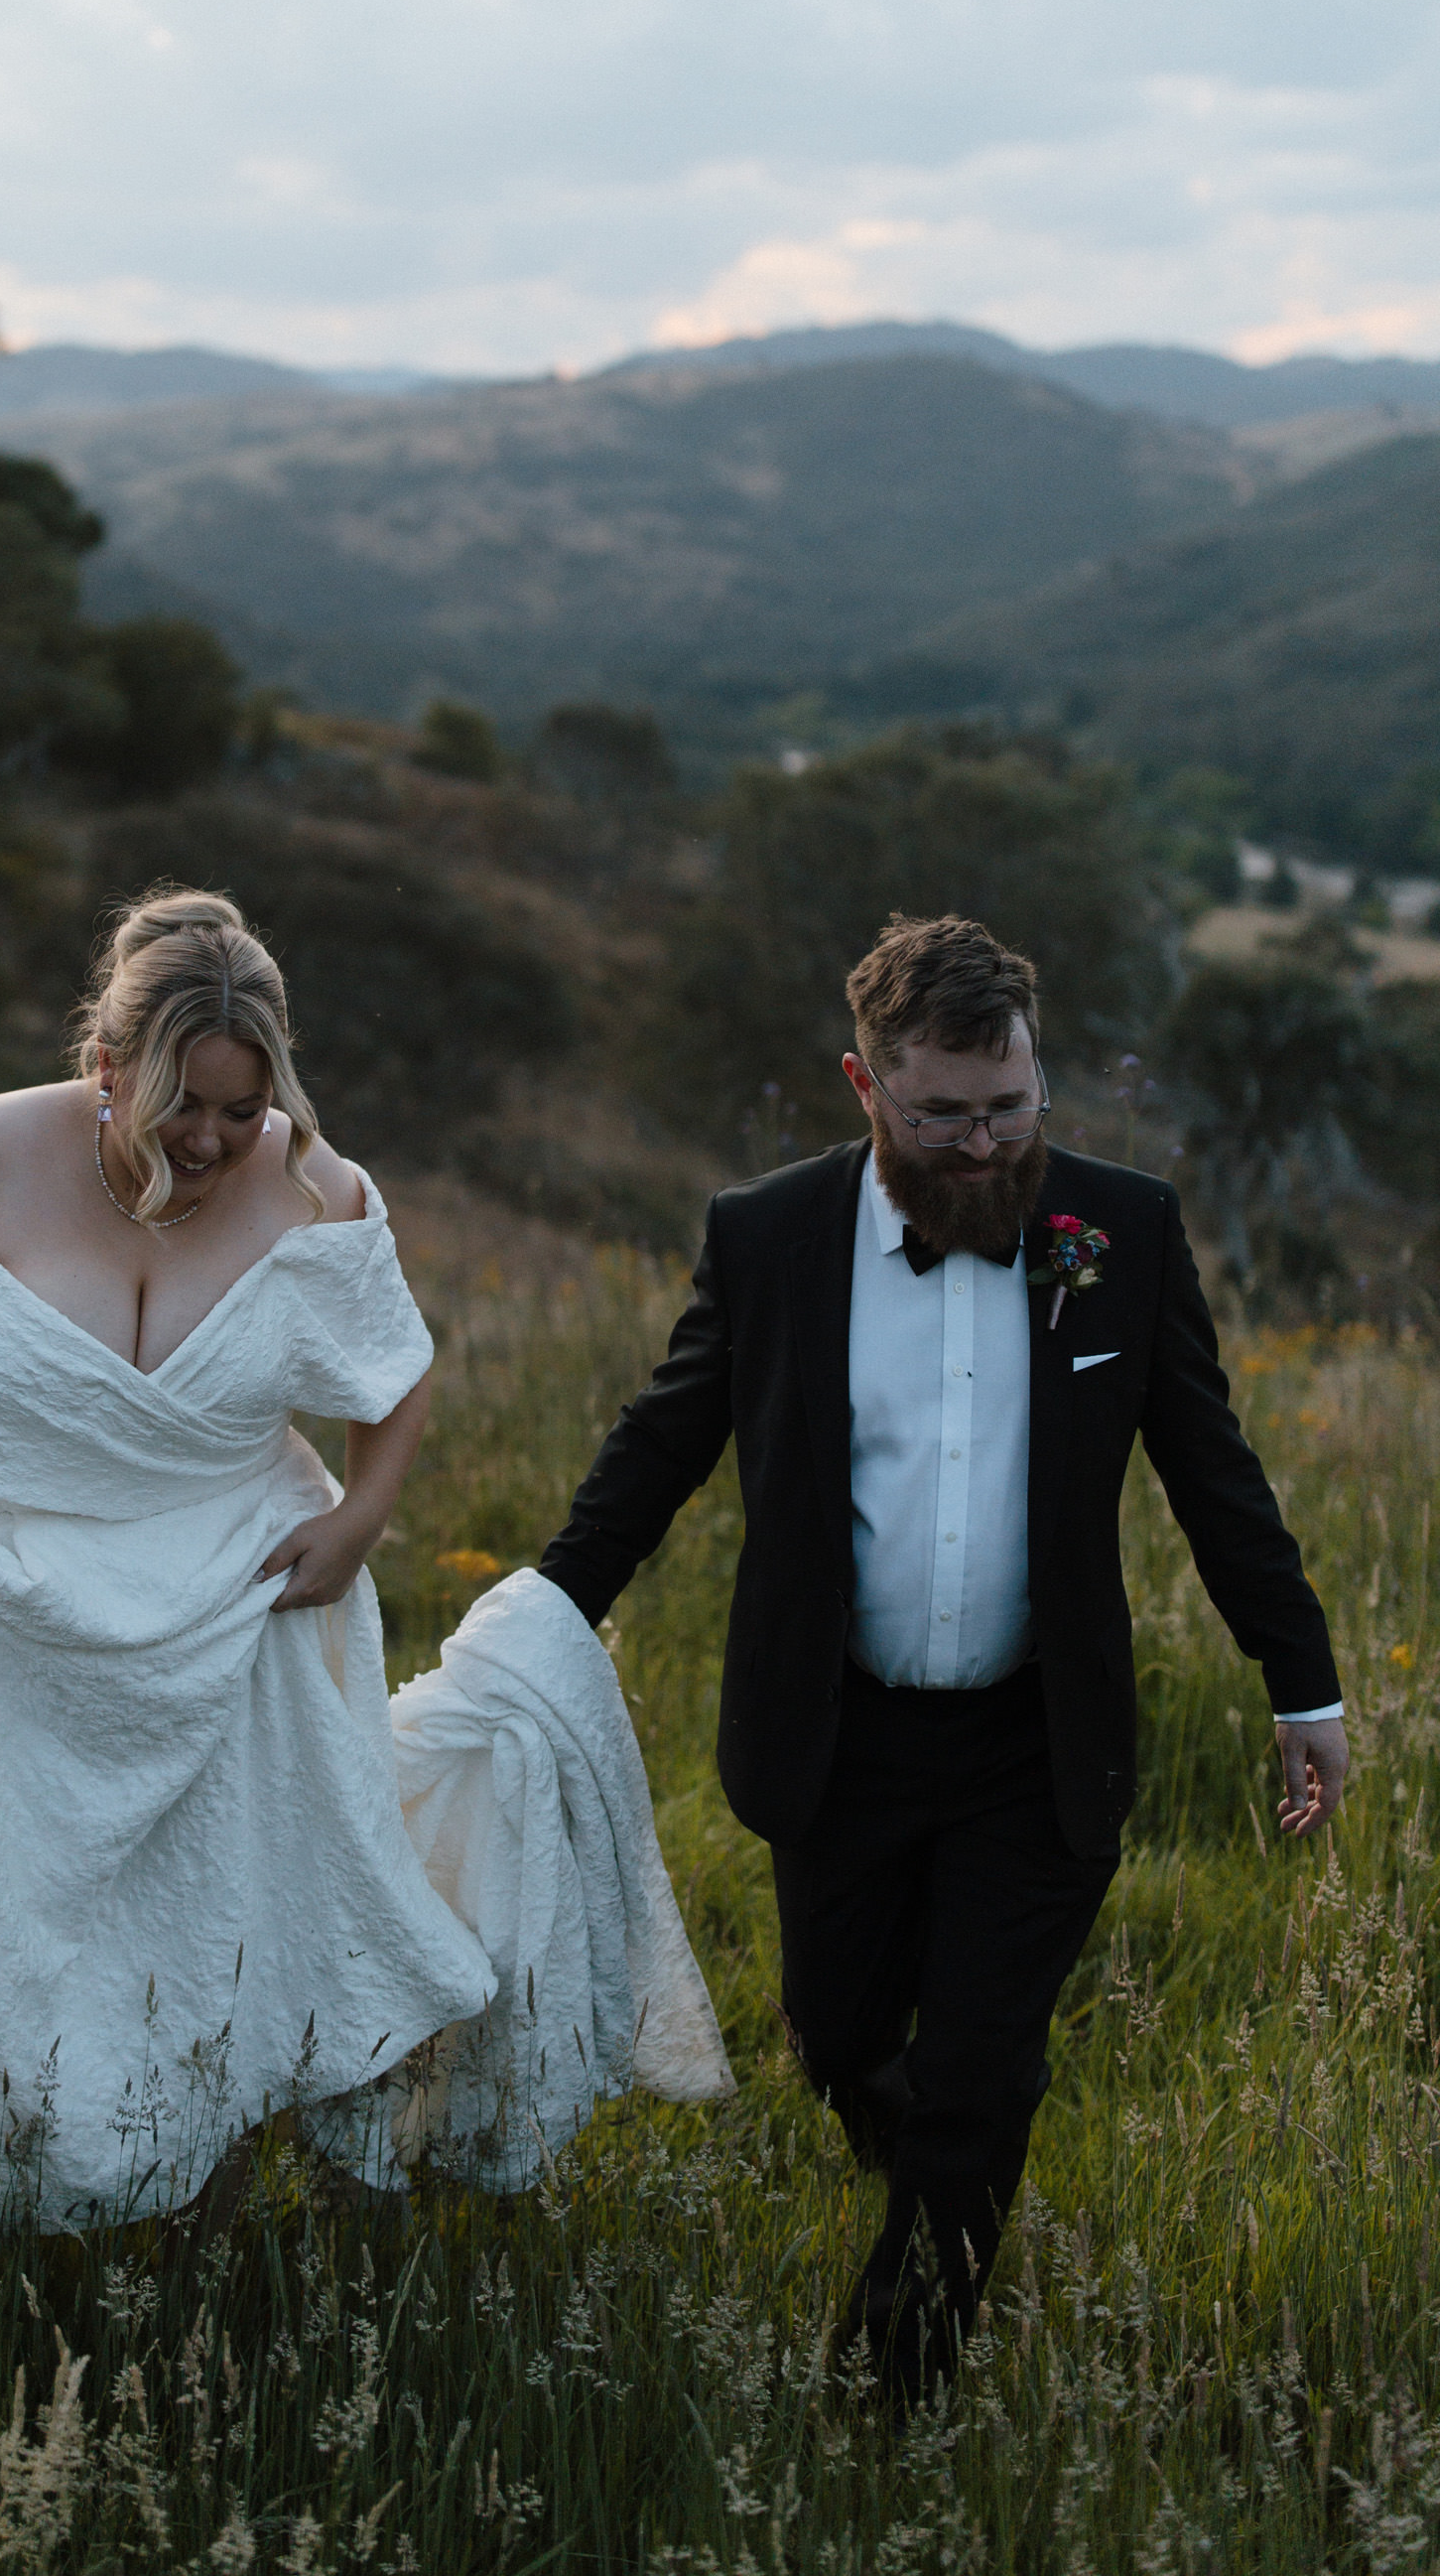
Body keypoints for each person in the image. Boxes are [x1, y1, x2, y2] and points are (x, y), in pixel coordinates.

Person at [0, 888, 728, 2227]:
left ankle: (212, 2160)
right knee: (22, 1910)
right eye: (178, 1103)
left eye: (242, 1110)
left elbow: (395, 1372)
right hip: (17, 1601)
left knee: (215, 1912)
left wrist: (358, 1522)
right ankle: (14, 2145)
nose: (207, 1139)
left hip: (233, 1596)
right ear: (106, 1064)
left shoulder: (308, 1185)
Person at [538, 911, 1347, 2401]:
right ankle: (930, 2162)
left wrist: (1303, 1682)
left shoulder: (1122, 1230)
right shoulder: (770, 1237)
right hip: (836, 1728)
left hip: (1037, 1736)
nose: (983, 1149)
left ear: (1040, 1078)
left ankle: (890, 2398)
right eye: (944, 1117)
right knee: (841, 2035)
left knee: (981, 2070)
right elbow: (661, 1444)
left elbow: (1213, 1469)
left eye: (1011, 1110)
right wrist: (538, 1615)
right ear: (867, 1086)